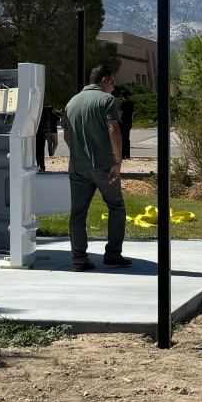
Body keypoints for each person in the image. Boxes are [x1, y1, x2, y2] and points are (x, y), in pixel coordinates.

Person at [61, 66, 132, 271]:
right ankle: (113, 254)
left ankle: (79, 258)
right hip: (103, 166)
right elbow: (114, 130)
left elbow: (66, 135)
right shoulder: (106, 100)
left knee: (78, 213)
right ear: (103, 81)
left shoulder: (72, 102)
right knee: (116, 207)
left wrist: (78, 152)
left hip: (77, 167)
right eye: (112, 82)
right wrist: (117, 161)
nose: (113, 87)